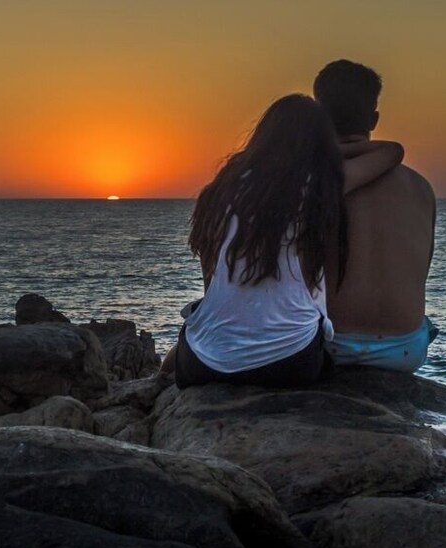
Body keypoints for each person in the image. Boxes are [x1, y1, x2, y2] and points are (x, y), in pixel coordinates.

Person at [162, 94, 403, 388]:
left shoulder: (220, 191)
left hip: (205, 365)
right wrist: (332, 149)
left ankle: (158, 379)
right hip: (291, 362)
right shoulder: (315, 185)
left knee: (189, 338)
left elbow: (211, 286)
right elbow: (392, 152)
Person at [314, 60, 438, 373]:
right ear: (374, 118)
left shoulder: (309, 180)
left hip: (328, 348)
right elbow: (420, 271)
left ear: (316, 115)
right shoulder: (421, 187)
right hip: (406, 351)